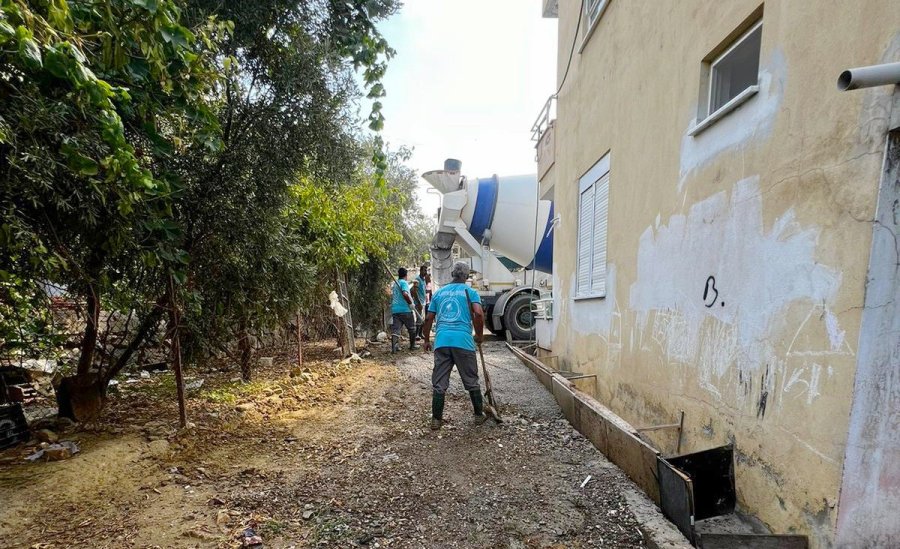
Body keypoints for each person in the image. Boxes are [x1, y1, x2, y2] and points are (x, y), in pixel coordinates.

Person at [422, 261, 485, 430]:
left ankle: (436, 420)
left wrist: (426, 340)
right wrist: (479, 336)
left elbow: (428, 318)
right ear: (466, 276)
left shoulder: (439, 293)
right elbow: (478, 314)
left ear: (452, 274)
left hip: (442, 341)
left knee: (439, 382)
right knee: (471, 380)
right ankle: (478, 416)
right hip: (463, 341)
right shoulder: (470, 292)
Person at [391, 267, 418, 353]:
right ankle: (412, 346)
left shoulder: (395, 284)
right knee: (412, 328)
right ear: (406, 275)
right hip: (405, 309)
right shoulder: (404, 283)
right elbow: (405, 294)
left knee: (396, 330)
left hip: (395, 309)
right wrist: (410, 303)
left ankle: (394, 348)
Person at [412, 265, 428, 339]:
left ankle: (420, 334)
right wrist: (419, 303)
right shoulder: (417, 280)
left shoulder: (423, 280)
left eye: (426, 270)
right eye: (424, 270)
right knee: (419, 319)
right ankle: (416, 335)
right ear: (421, 271)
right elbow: (414, 292)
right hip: (419, 303)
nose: (426, 272)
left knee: (422, 319)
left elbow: (423, 291)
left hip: (423, 302)